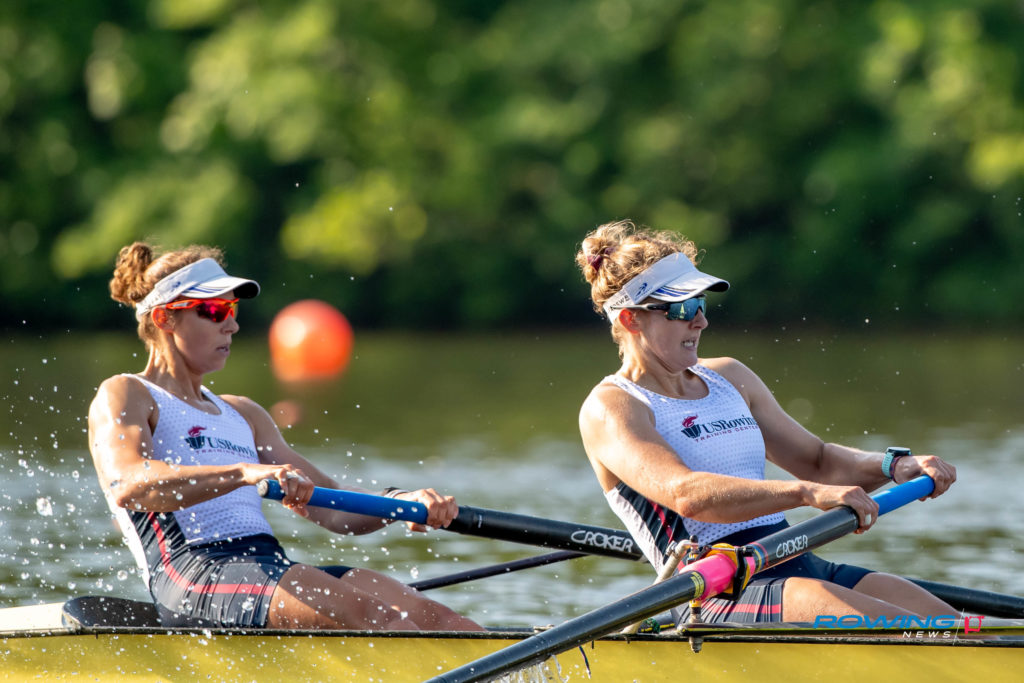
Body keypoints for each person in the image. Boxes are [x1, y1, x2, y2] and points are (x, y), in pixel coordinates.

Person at [575, 220, 958, 624]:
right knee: (914, 633)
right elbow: (687, 495)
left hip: (798, 562)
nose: (700, 321)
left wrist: (894, 465)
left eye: (700, 304)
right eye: (682, 308)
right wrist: (805, 493)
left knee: (963, 631)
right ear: (631, 320)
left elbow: (818, 462)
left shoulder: (729, 377)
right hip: (712, 592)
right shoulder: (613, 406)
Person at [88, 242, 482, 631]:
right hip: (193, 574)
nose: (232, 325)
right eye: (214, 311)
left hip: (266, 565)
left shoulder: (244, 414)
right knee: (378, 619)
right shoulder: (127, 393)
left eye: (232, 309)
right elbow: (128, 484)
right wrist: (243, 473)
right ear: (164, 318)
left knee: (444, 622)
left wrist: (399, 502)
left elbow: (333, 506)